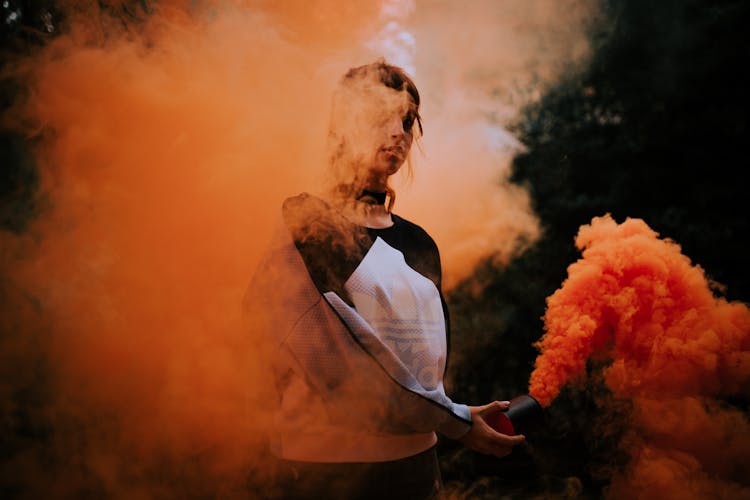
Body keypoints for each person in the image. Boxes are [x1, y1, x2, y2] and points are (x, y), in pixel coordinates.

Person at [244, 59, 525, 499]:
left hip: (416, 468)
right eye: (381, 116)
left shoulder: (419, 242)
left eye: (408, 120)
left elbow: (413, 366)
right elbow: (346, 367)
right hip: (328, 472)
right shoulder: (307, 222)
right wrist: (453, 421)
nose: (398, 132)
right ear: (341, 127)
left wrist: (451, 412)